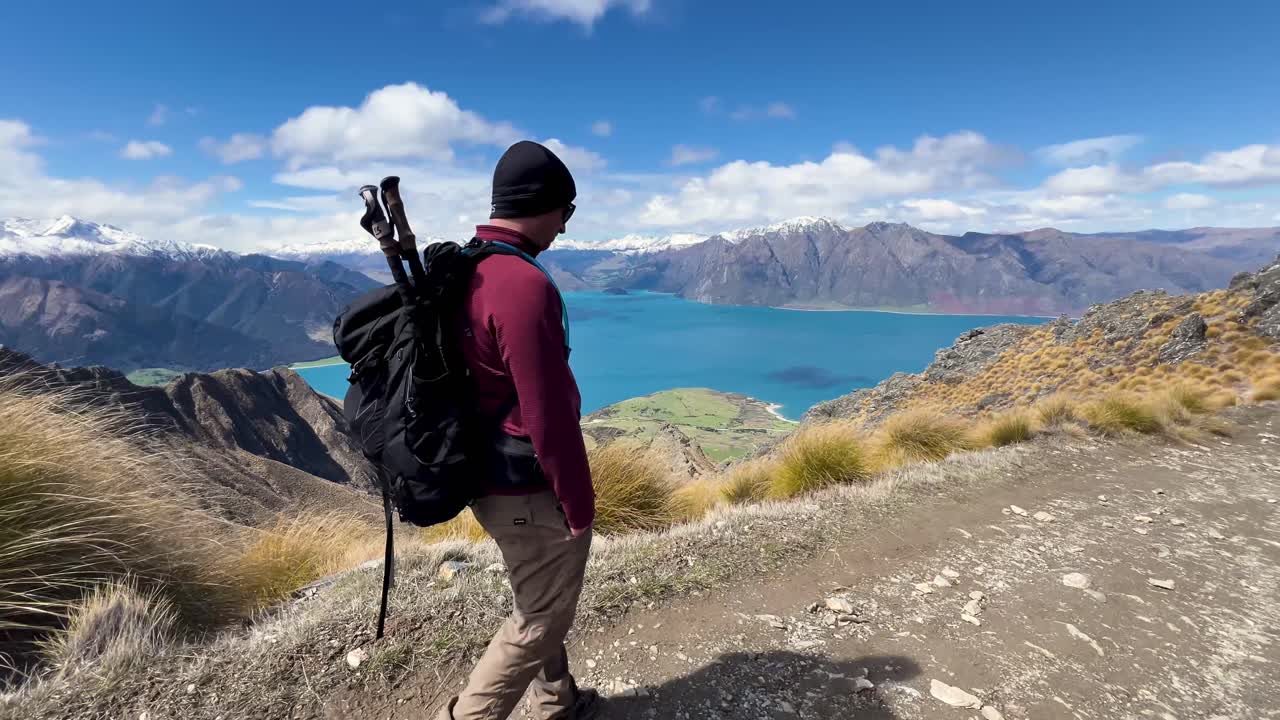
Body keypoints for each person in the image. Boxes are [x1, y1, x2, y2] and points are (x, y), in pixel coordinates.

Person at [437, 141, 599, 720]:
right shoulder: (523, 285)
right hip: (523, 486)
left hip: (483, 473)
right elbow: (547, 413)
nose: (564, 227)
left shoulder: (469, 264)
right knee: (541, 616)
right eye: (567, 211)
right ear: (545, 205)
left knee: (538, 594)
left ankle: (557, 701)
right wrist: (578, 503)